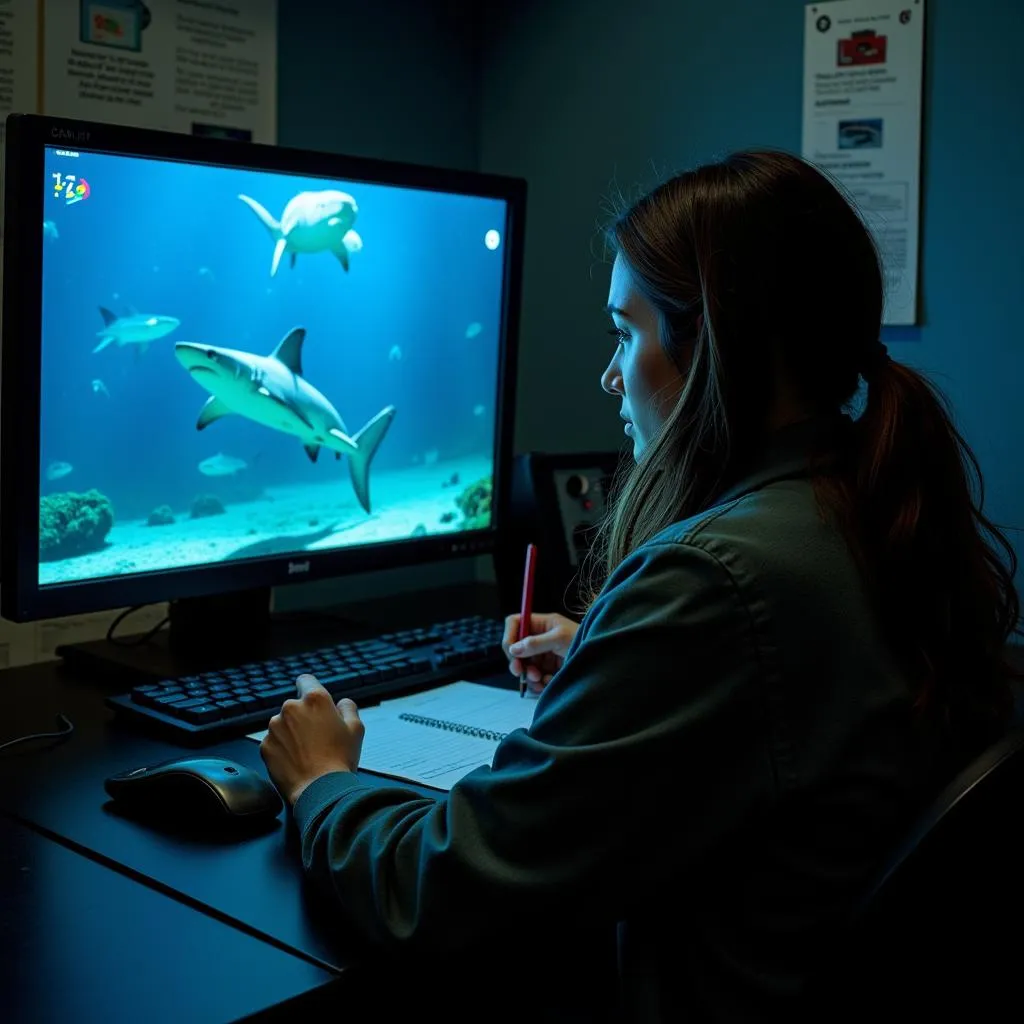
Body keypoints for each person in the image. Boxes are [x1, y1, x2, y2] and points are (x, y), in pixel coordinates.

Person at [259, 150, 1020, 1021]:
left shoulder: (715, 580)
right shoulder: (861, 504)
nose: (609, 375)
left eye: (627, 332)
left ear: (716, 350)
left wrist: (321, 782)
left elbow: (448, 884)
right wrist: (613, 655)